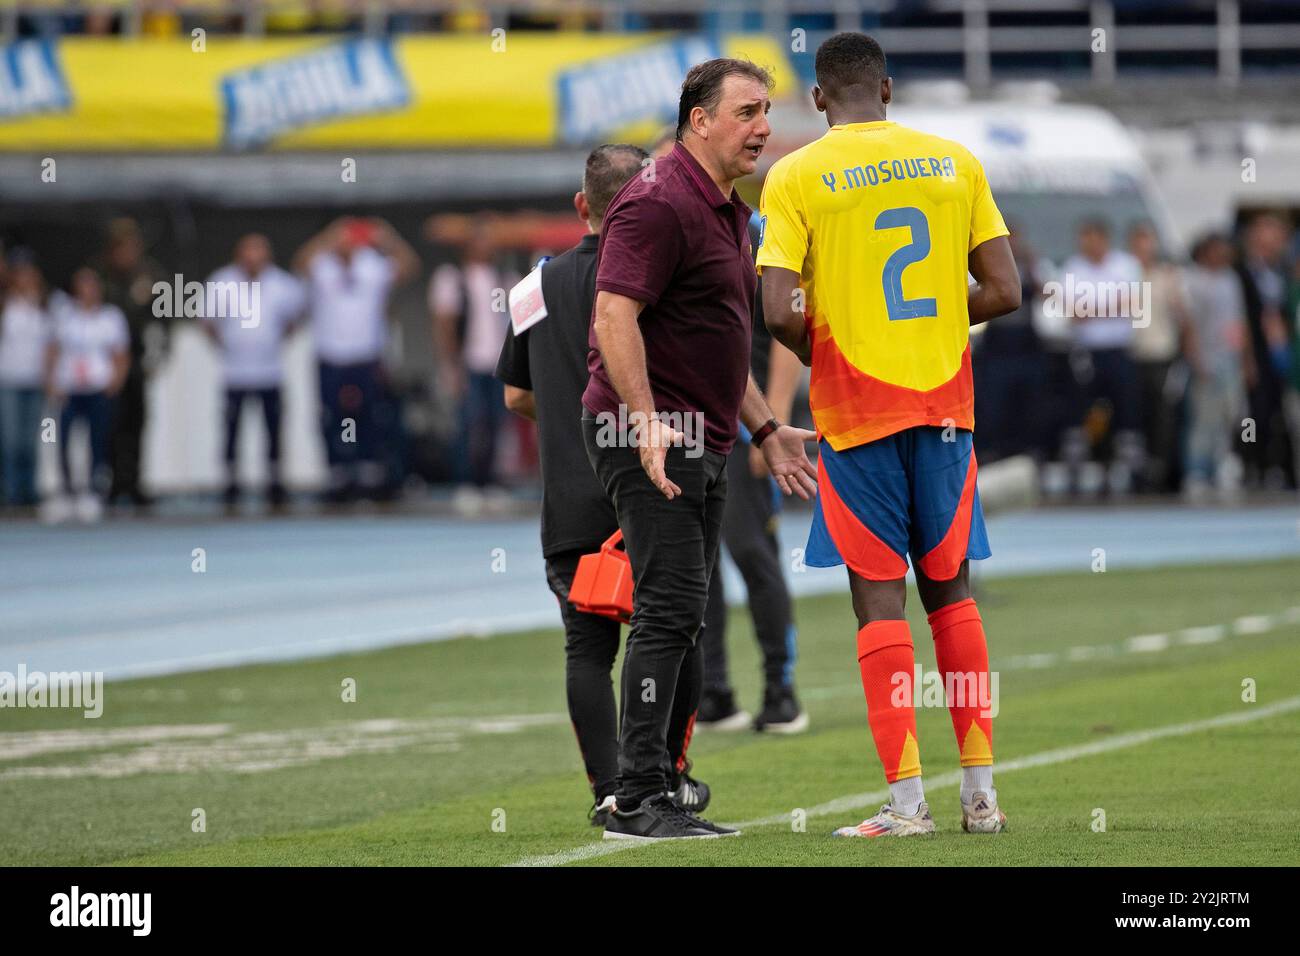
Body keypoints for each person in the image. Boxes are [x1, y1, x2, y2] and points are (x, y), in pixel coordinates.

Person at [759, 32, 1022, 838]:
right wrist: (943, 316)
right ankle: (982, 798)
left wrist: (830, 347)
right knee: (953, 592)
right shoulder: (954, 161)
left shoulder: (796, 173)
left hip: (855, 414)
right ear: (890, 89)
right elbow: (1007, 290)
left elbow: (775, 309)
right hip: (947, 412)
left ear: (817, 98)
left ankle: (908, 806)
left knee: (879, 602)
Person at [581, 57, 818, 841]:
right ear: (699, 120)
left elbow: (717, 343)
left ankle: (663, 782)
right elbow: (614, 316)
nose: (764, 127)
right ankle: (636, 796)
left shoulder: (724, 206)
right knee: (669, 611)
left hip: (702, 433)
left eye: (767, 110)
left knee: (683, 614)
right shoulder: (656, 200)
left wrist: (765, 427)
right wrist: (646, 419)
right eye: (748, 111)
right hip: (650, 435)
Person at [496, 144, 714, 826]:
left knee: (587, 649)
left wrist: (567, 418)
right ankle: (665, 780)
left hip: (568, 496)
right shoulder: (659, 275)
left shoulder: (532, 289)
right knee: (676, 629)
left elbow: (514, 397)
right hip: (649, 482)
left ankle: (610, 790)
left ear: (580, 207)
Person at [698, 204, 808, 734]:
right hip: (689, 432)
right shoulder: (671, 225)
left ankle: (780, 690)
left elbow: (785, 331)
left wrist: (774, 426)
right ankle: (713, 691)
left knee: (752, 554)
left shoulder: (755, 233)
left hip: (746, 431)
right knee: (696, 570)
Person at [295, 217, 419, 503]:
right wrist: (327, 237)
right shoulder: (322, 265)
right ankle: (337, 474)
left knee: (371, 417)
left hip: (366, 356)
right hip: (331, 356)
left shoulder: (372, 264)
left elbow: (409, 267)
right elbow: (300, 263)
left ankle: (370, 473)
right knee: (332, 418)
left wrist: (388, 238)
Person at [203, 234, 307, 509]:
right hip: (235, 373)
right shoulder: (222, 282)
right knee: (232, 431)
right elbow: (207, 321)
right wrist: (226, 346)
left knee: (273, 431)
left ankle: (275, 483)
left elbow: (295, 318)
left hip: (270, 372)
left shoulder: (282, 283)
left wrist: (274, 342)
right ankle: (231, 483)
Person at [431, 224, 518, 511]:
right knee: (469, 424)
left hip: (497, 363)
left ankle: (490, 482)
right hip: (469, 361)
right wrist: (451, 366)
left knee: (495, 422)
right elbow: (445, 325)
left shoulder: (505, 278)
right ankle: (466, 483)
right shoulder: (453, 278)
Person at [1060, 219, 1146, 495]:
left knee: (1125, 411)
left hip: (1119, 350)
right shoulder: (1073, 268)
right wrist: (1111, 305)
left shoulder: (1126, 265)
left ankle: (1130, 472)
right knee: (1082, 413)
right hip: (1087, 354)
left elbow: (1134, 303)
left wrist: (1092, 308)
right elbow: (1073, 313)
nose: (1090, 244)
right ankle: (1077, 472)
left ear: (1105, 239)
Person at [45, 268, 130, 522]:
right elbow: (52, 350)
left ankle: (94, 491)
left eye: (91, 285)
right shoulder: (64, 316)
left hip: (97, 389)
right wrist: (51, 381)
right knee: (63, 442)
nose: (87, 291)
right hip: (70, 389)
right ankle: (66, 492)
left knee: (97, 440)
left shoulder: (110, 317)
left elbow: (120, 354)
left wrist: (115, 381)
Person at [94, 218, 168, 509]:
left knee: (138, 422)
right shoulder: (99, 275)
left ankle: (135, 481)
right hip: (107, 359)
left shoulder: (150, 273)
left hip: (137, 358)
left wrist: (160, 353)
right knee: (111, 423)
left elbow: (164, 317)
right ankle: (112, 482)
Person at [1182, 233, 1252, 501]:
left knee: (1231, 415)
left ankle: (1224, 466)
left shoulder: (1230, 280)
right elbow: (1189, 324)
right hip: (1206, 358)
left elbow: (1239, 321)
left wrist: (1247, 360)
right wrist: (1195, 358)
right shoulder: (1194, 280)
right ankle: (1196, 472)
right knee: (1203, 419)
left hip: (1230, 358)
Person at [1128, 222, 1190, 492]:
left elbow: (1183, 318)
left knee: (1163, 417)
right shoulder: (1125, 275)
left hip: (1162, 356)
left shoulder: (1167, 276)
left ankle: (1163, 472)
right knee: (1135, 416)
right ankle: (1139, 471)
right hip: (1132, 355)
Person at [1235, 211, 1295, 489]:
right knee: (1254, 412)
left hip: (1283, 352)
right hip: (1256, 351)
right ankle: (1253, 465)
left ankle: (1280, 467)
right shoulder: (1241, 272)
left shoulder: (1282, 271)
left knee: (1281, 412)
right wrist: (1247, 359)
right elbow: (1240, 317)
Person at [0, 252, 53, 511]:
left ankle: (29, 489)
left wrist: (50, 376)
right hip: (8, 380)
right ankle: (10, 491)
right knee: (9, 440)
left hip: (34, 381)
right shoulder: (5, 305)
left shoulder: (44, 306)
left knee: (30, 440)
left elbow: (52, 346)